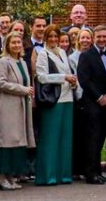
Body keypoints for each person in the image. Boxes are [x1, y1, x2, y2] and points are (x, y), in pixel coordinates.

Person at [0, 23, 35, 190]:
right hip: (6, 107)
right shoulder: (3, 62)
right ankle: (1, 177)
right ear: (7, 45)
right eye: (13, 43)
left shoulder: (22, 62)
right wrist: (23, 90)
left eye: (19, 42)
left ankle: (10, 175)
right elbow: (1, 83)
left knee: (16, 142)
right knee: (5, 142)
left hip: (20, 106)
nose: (17, 45)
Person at [32, 25, 77, 186]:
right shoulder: (42, 54)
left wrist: (71, 81)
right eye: (50, 36)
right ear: (45, 38)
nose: (53, 39)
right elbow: (42, 78)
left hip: (68, 98)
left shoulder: (63, 53)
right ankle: (47, 175)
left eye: (55, 36)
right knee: (50, 139)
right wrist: (64, 77)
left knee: (65, 139)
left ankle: (63, 174)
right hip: (53, 99)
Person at [74, 26, 106, 185]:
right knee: (93, 138)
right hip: (92, 103)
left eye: (105, 36)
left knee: (102, 138)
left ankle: (98, 171)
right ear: (93, 38)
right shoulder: (86, 55)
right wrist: (98, 97)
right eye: (99, 37)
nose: (102, 39)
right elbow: (84, 79)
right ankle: (90, 173)